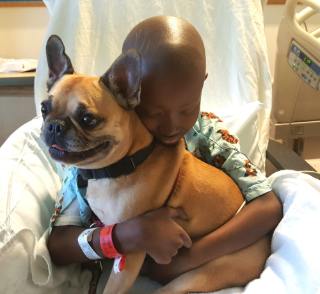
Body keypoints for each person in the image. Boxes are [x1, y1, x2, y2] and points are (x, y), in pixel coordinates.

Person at [47, 15, 282, 287]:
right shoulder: (81, 158)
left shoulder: (208, 135)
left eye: (187, 109)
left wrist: (188, 260)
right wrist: (128, 235)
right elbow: (58, 245)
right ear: (130, 97)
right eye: (152, 112)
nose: (172, 126)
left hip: (218, 254)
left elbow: (267, 206)